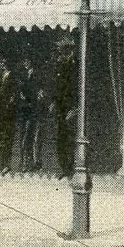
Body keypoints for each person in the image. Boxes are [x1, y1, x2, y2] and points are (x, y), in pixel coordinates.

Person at [15, 55, 46, 172]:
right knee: (24, 136)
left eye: (28, 60)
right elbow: (20, 91)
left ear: (32, 61)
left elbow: (40, 89)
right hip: (25, 110)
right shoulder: (21, 75)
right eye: (24, 61)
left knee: (36, 137)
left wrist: (39, 93)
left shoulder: (38, 74)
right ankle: (24, 163)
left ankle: (36, 162)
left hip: (35, 109)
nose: (26, 63)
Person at [53, 37, 78, 179]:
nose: (59, 54)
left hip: (71, 109)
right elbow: (58, 87)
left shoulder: (75, 65)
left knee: (71, 138)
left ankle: (72, 168)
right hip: (61, 108)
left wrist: (75, 108)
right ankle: (64, 167)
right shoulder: (61, 66)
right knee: (61, 139)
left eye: (61, 51)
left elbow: (77, 87)